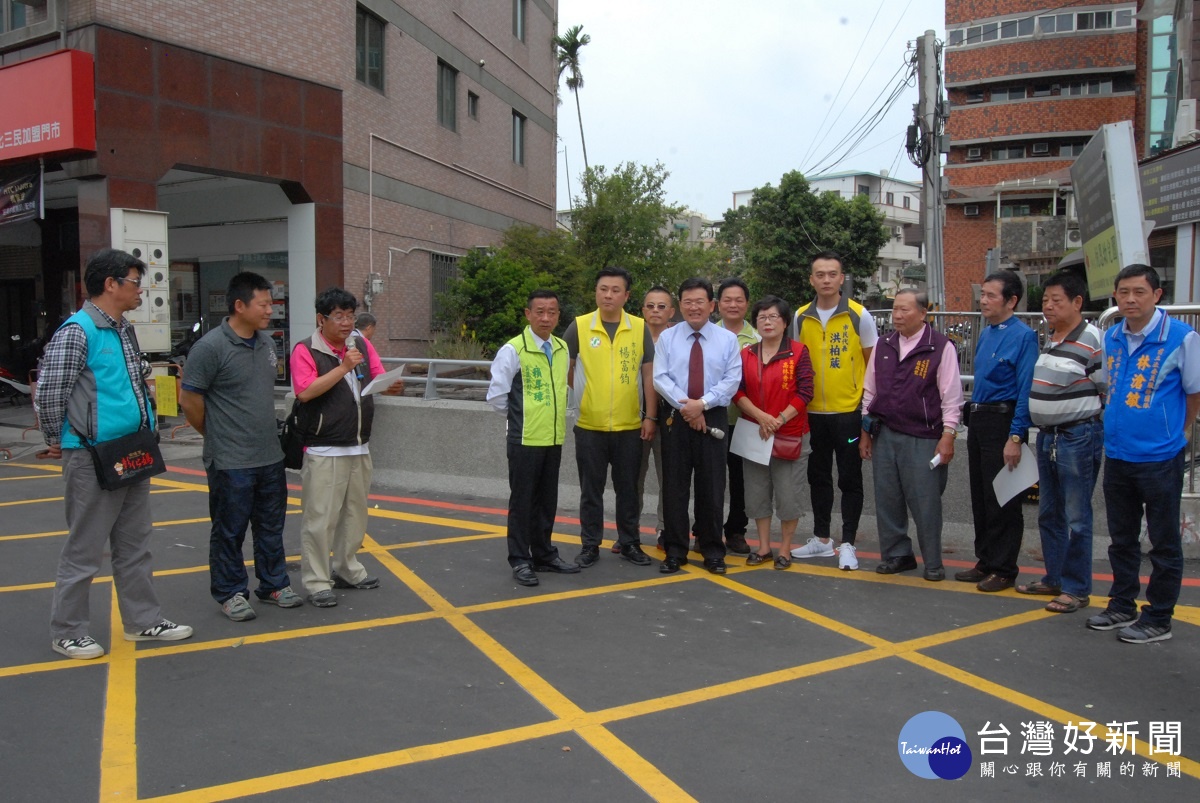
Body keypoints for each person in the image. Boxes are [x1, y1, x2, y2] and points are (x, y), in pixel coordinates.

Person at [37, 248, 193, 659]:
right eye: (134, 281)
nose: (140, 290)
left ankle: (143, 620)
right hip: (91, 453)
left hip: (131, 449)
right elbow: (51, 392)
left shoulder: (123, 329)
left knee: (134, 543)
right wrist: (56, 438)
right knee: (85, 546)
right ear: (111, 284)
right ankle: (68, 630)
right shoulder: (78, 331)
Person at [1087, 264, 1200, 643]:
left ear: (1156, 295)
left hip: (1159, 457)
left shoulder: (1182, 338)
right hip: (1118, 453)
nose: (1130, 299)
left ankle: (1160, 617)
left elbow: (1194, 392)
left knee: (1164, 541)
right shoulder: (1114, 336)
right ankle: (1122, 604)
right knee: (1121, 537)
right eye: (1123, 292)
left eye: (1139, 292)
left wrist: (1175, 433)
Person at [181, 272, 303, 621]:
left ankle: (273, 584)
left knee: (271, 525)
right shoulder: (210, 347)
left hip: (269, 454)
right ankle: (230, 591)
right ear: (239, 305)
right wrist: (215, 434)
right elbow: (190, 400)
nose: (270, 310)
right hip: (230, 458)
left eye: (271, 303)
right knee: (229, 529)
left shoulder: (266, 343)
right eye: (263, 304)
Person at [291, 288, 404, 608]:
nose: (346, 323)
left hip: (358, 446)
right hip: (324, 448)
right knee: (320, 518)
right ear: (321, 319)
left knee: (355, 515)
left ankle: (347, 568)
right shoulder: (306, 350)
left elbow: (378, 378)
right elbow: (305, 392)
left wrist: (392, 386)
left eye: (350, 316)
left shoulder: (361, 344)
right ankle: (316, 580)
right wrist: (341, 367)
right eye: (338, 316)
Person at [860, 290, 963, 581]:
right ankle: (897, 555)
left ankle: (933, 562)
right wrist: (865, 433)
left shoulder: (940, 347)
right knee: (887, 499)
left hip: (924, 435)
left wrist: (948, 435)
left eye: (905, 310)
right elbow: (870, 391)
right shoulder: (884, 345)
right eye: (895, 309)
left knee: (925, 501)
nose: (897, 315)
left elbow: (951, 397)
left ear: (923, 313)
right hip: (885, 433)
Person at [1018, 271, 1105, 614]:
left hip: (1078, 436)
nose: (1049, 307)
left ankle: (1076, 588)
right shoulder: (1053, 336)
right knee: (1049, 513)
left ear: (1077, 302)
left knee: (1077, 516)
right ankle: (1054, 577)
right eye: (1045, 301)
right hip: (1050, 437)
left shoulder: (1094, 339)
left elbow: (1105, 388)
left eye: (1057, 300)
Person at [788, 251, 878, 570]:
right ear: (811, 279)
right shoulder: (800, 317)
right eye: (820, 274)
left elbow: (873, 367)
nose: (826, 280)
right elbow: (796, 364)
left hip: (849, 414)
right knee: (818, 477)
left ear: (842, 278)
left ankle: (849, 543)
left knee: (850, 479)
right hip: (812, 414)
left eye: (832, 274)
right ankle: (822, 539)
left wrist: (867, 413)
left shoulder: (859, 315)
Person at [486, 290, 581, 586]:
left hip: (553, 438)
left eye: (552, 312)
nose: (546, 317)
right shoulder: (514, 350)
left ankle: (544, 554)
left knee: (546, 501)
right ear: (528, 314)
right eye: (540, 311)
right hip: (524, 439)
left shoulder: (563, 347)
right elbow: (497, 396)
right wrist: (521, 419)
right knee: (523, 501)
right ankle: (520, 559)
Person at [563, 267, 657, 568]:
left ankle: (630, 542)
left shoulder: (639, 327)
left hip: (630, 426)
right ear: (596, 292)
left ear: (626, 295)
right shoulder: (579, 326)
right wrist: (584, 394)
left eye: (616, 290)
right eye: (603, 289)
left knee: (628, 489)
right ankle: (590, 545)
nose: (608, 295)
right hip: (589, 425)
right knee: (591, 491)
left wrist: (650, 417)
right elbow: (566, 366)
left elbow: (648, 374)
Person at [955, 270, 1037, 593]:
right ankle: (985, 560)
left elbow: (1025, 389)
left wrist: (1015, 436)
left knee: (1003, 497)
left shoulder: (1024, 336)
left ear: (1011, 300)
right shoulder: (987, 332)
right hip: (980, 418)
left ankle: (1004, 568)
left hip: (1004, 422)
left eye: (991, 295)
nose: (983, 300)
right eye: (983, 294)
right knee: (981, 495)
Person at [653, 277, 742, 574]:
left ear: (711, 305)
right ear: (680, 306)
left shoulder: (727, 339)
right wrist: (687, 407)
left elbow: (731, 381)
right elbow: (660, 378)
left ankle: (711, 549)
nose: (694, 307)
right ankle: (675, 550)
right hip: (676, 417)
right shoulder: (668, 338)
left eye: (699, 302)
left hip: (713, 415)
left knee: (712, 487)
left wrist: (701, 404)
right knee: (675, 487)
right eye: (687, 302)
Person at [733, 296, 814, 569]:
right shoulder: (746, 354)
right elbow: (737, 390)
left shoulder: (799, 352)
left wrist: (778, 420)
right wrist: (761, 417)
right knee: (756, 493)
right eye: (762, 317)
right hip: (756, 433)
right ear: (756, 323)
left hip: (790, 433)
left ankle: (786, 548)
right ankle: (764, 546)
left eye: (773, 317)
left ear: (785, 322)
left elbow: (806, 392)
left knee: (789, 494)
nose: (767, 322)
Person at [714, 277, 760, 556]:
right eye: (727, 300)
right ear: (717, 304)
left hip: (745, 421)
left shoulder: (757, 338)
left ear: (747, 304)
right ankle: (706, 529)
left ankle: (736, 531)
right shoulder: (706, 333)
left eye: (738, 300)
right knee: (711, 479)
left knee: (742, 481)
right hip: (713, 419)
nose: (733, 304)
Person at [637, 286, 676, 552]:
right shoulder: (632, 337)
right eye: (650, 306)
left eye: (662, 306)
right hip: (635, 417)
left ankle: (665, 528)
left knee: (669, 477)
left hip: (670, 417)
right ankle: (628, 529)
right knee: (633, 477)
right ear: (642, 310)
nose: (655, 311)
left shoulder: (678, 339)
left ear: (672, 312)